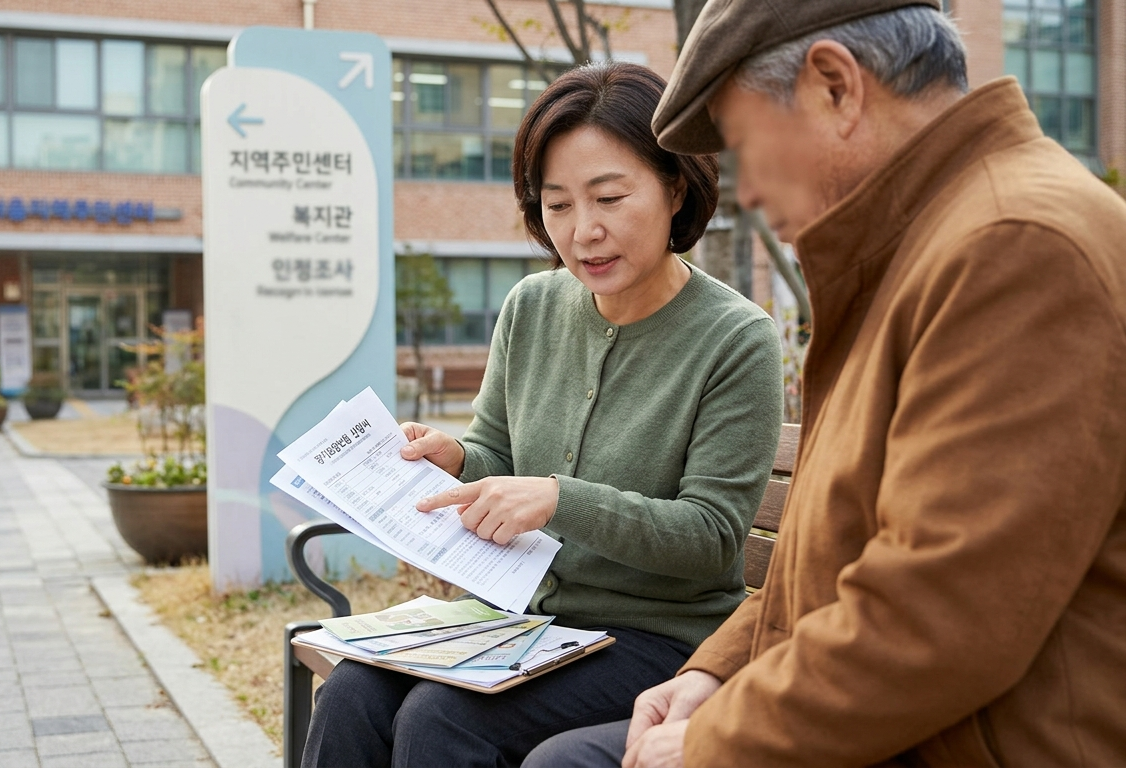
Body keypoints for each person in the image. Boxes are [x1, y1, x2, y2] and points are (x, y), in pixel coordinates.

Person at [525, 2, 1126, 767]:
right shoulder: (927, 244)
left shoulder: (1013, 249)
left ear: (836, 87)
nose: (741, 190)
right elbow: (836, 548)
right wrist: (720, 668)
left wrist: (716, 743)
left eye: (744, 143)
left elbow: (942, 615)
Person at [301, 61, 785, 768]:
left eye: (610, 197)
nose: (584, 231)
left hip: (655, 637)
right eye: (557, 205)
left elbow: (710, 537)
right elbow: (496, 453)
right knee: (352, 694)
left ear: (676, 187)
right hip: (525, 620)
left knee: (444, 721)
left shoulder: (734, 339)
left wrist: (559, 500)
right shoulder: (531, 307)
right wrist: (459, 463)